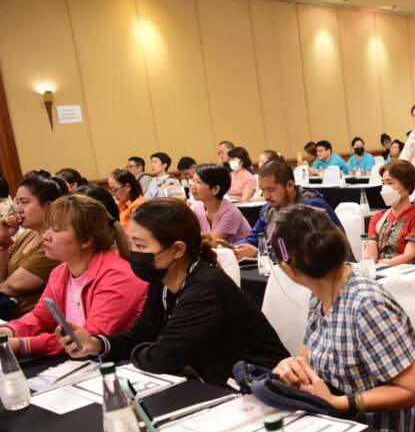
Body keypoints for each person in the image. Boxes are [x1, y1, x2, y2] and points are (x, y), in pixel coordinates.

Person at [61, 199, 289, 386]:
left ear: (178, 249)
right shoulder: (162, 280)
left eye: (141, 246)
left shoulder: (204, 287)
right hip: (218, 380)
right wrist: (96, 344)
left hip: (260, 383)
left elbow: (163, 357)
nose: (134, 253)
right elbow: (142, 334)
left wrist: (142, 350)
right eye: (132, 244)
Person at [269, 205, 415, 432]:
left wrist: (339, 403)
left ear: (289, 268)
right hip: (335, 424)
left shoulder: (366, 305)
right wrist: (294, 367)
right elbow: (307, 355)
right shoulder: (321, 292)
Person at [0, 195, 146, 358]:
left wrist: (21, 345)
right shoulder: (60, 272)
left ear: (86, 240)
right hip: (78, 360)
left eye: (56, 230)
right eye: (48, 228)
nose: (46, 236)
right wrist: (9, 331)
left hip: (117, 362)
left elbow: (89, 338)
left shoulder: (117, 276)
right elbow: (41, 317)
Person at [234, 160, 340, 258]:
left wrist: (258, 253)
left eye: (271, 190)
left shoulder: (312, 206)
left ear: (290, 185)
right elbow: (254, 238)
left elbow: (312, 251)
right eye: (262, 190)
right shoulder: (270, 208)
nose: (266, 196)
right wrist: (232, 248)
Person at [0, 173, 65, 319]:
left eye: (24, 202)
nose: (19, 209)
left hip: (29, 320)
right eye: (17, 202)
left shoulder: (54, 243)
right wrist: (3, 240)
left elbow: (14, 286)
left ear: (49, 206)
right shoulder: (27, 235)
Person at [365, 160, 415, 266]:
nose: (385, 188)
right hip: (380, 271)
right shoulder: (377, 217)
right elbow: (371, 256)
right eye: (383, 183)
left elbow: (409, 258)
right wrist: (369, 265)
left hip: (409, 274)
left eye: (390, 183)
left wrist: (381, 266)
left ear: (407, 185)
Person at [189, 164, 252, 244]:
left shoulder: (230, 212)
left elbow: (213, 244)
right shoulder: (196, 207)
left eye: (199, 182)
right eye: (193, 181)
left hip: (240, 251)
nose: (192, 186)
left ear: (215, 189)